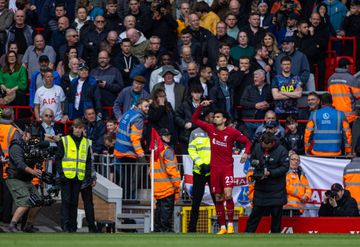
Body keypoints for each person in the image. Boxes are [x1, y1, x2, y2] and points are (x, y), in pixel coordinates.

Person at [192, 100, 251, 234]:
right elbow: (194, 119)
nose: (215, 118)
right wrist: (201, 105)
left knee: (228, 194)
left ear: (224, 119)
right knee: (218, 198)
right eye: (214, 117)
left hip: (227, 168)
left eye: (218, 117)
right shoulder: (210, 129)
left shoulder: (232, 132)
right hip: (215, 169)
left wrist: (245, 153)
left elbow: (247, 142)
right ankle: (223, 227)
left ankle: (230, 224)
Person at [245, 132, 289, 233]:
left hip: (276, 190)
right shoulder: (257, 147)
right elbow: (252, 158)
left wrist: (270, 172)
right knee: (254, 216)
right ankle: (247, 236)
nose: (265, 148)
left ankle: (275, 239)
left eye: (267, 146)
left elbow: (285, 167)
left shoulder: (281, 150)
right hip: (261, 188)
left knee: (276, 219)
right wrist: (255, 162)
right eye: (263, 145)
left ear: (272, 143)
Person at [55, 119, 93, 232]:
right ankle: (65, 225)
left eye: (80, 127)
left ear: (83, 129)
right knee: (66, 201)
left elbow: (88, 161)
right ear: (73, 128)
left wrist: (88, 175)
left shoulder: (86, 142)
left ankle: (73, 226)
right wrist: (61, 173)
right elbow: (58, 158)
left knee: (74, 202)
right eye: (76, 127)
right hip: (66, 176)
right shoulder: (65, 140)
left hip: (79, 176)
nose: (78, 129)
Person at [6, 126, 43, 232]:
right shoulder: (16, 146)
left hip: (27, 179)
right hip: (15, 178)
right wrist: (33, 172)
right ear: (25, 135)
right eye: (32, 136)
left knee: (38, 201)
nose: (34, 140)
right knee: (26, 201)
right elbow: (19, 164)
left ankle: (28, 225)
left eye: (36, 137)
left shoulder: (32, 146)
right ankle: (12, 225)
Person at [113, 98, 150, 196]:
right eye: (146, 106)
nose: (147, 109)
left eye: (148, 106)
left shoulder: (128, 113)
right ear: (139, 106)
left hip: (118, 150)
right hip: (128, 153)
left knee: (121, 179)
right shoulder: (138, 118)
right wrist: (141, 154)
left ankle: (121, 200)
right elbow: (135, 138)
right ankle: (126, 201)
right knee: (128, 180)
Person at [187, 107, 215, 232]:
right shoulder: (195, 132)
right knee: (196, 201)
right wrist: (201, 164)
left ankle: (223, 227)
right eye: (212, 116)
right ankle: (191, 229)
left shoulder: (217, 131)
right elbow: (191, 150)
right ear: (206, 117)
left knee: (217, 200)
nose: (213, 118)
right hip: (199, 170)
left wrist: (211, 165)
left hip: (213, 171)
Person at [151, 128, 181, 232]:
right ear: (160, 137)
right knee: (166, 212)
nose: (169, 136)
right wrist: (177, 187)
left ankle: (157, 230)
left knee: (159, 211)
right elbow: (172, 171)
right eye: (166, 135)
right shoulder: (167, 151)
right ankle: (166, 230)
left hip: (157, 188)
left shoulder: (154, 151)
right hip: (168, 187)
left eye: (169, 135)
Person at [0, 108, 20, 224]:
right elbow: (17, 149)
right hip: (8, 165)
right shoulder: (13, 130)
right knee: (7, 193)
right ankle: (6, 217)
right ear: (12, 116)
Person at [240, 69, 273, 138]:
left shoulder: (269, 88)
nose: (254, 79)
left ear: (263, 78)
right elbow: (242, 102)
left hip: (264, 122)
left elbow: (274, 102)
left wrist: (268, 105)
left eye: (257, 77)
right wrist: (255, 105)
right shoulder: (249, 88)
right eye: (254, 77)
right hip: (249, 121)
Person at [328, 58, 360, 124]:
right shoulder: (352, 79)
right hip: (348, 116)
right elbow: (358, 95)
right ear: (346, 66)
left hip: (334, 114)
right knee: (348, 134)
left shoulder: (330, 78)